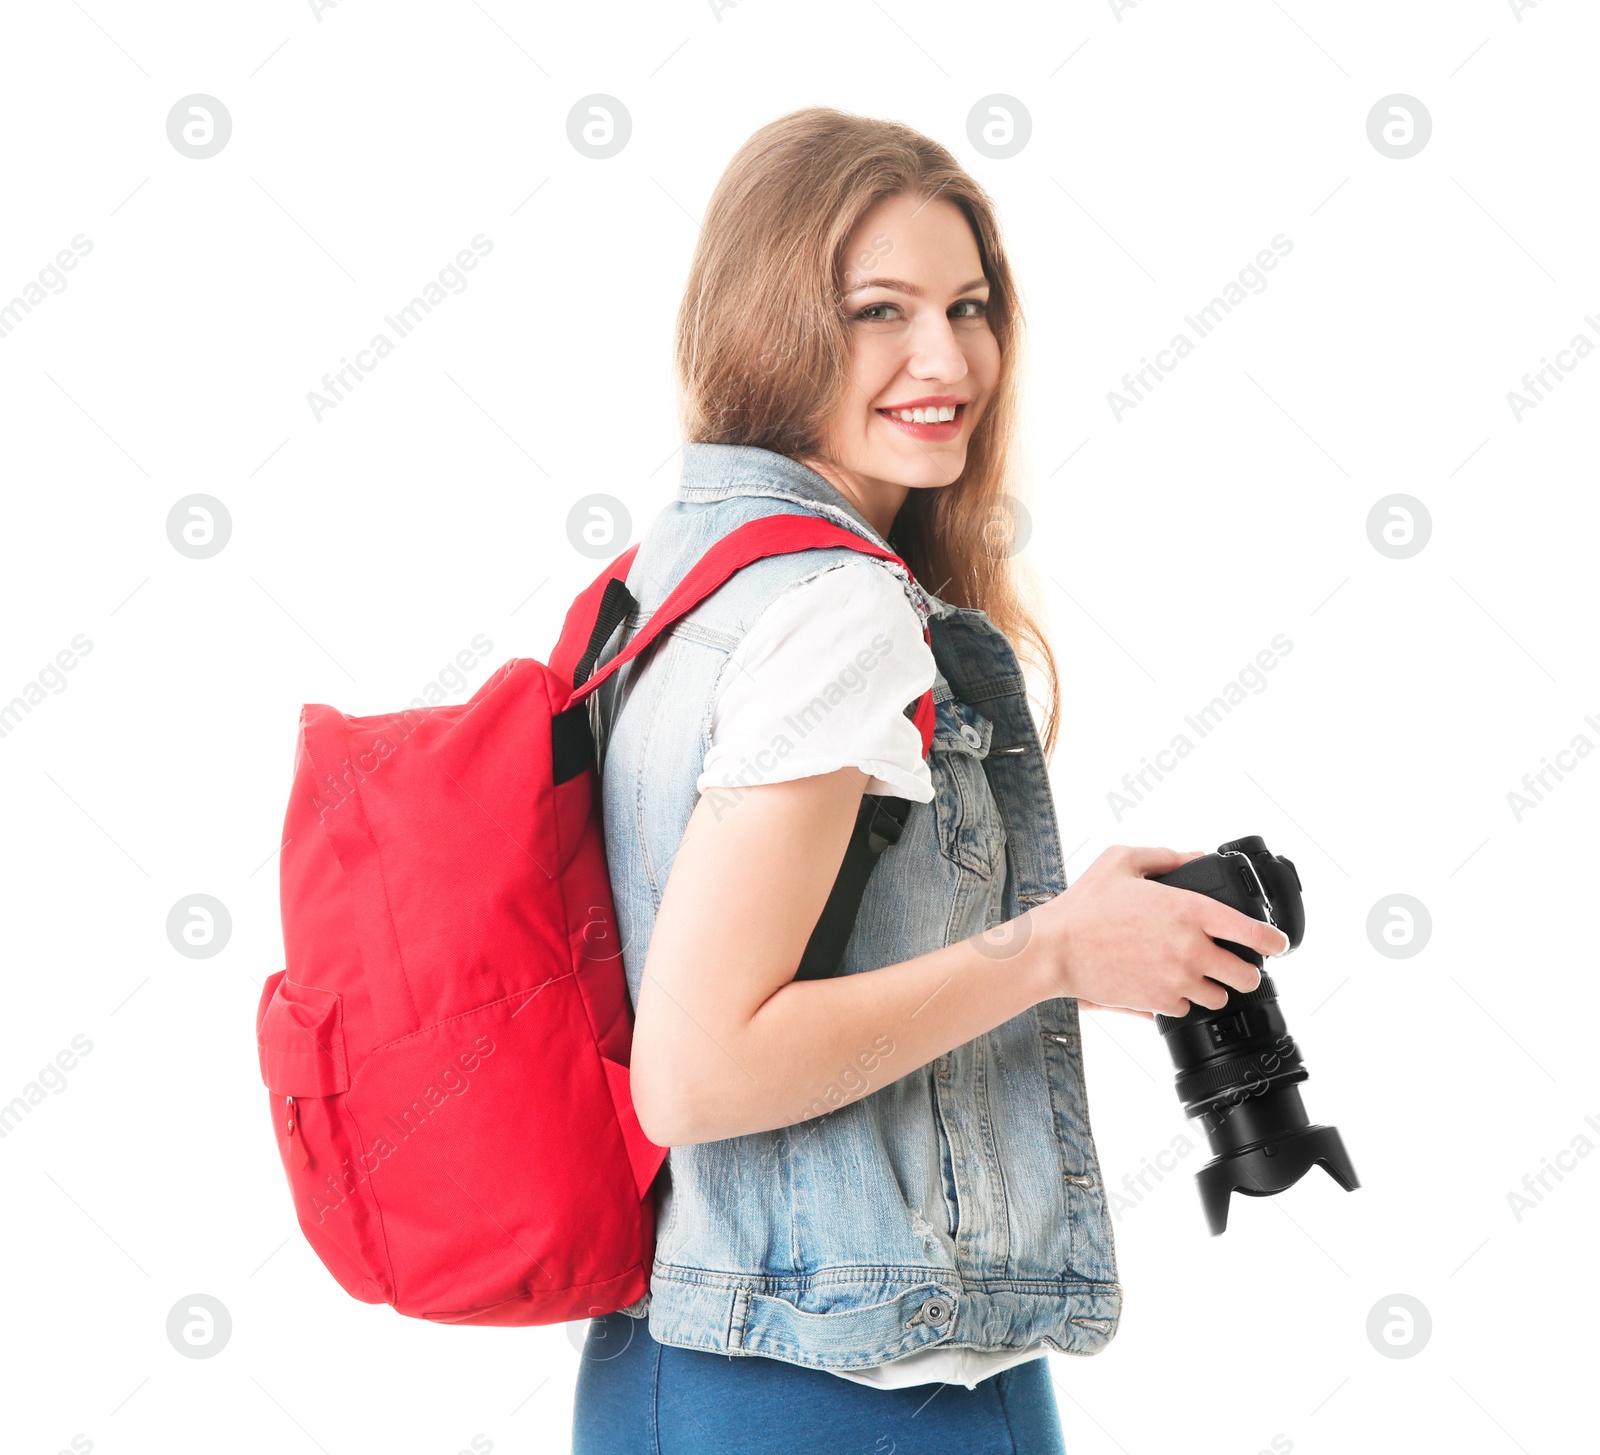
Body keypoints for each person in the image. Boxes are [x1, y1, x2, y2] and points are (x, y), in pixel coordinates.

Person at [571, 106, 1287, 1455]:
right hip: (852, 1386)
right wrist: (1051, 953)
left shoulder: (674, 578)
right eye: (877, 311)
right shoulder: (834, 609)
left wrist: (1075, 927)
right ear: (767, 325)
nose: (945, 357)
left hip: (684, 1360)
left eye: (969, 305)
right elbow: (698, 1069)